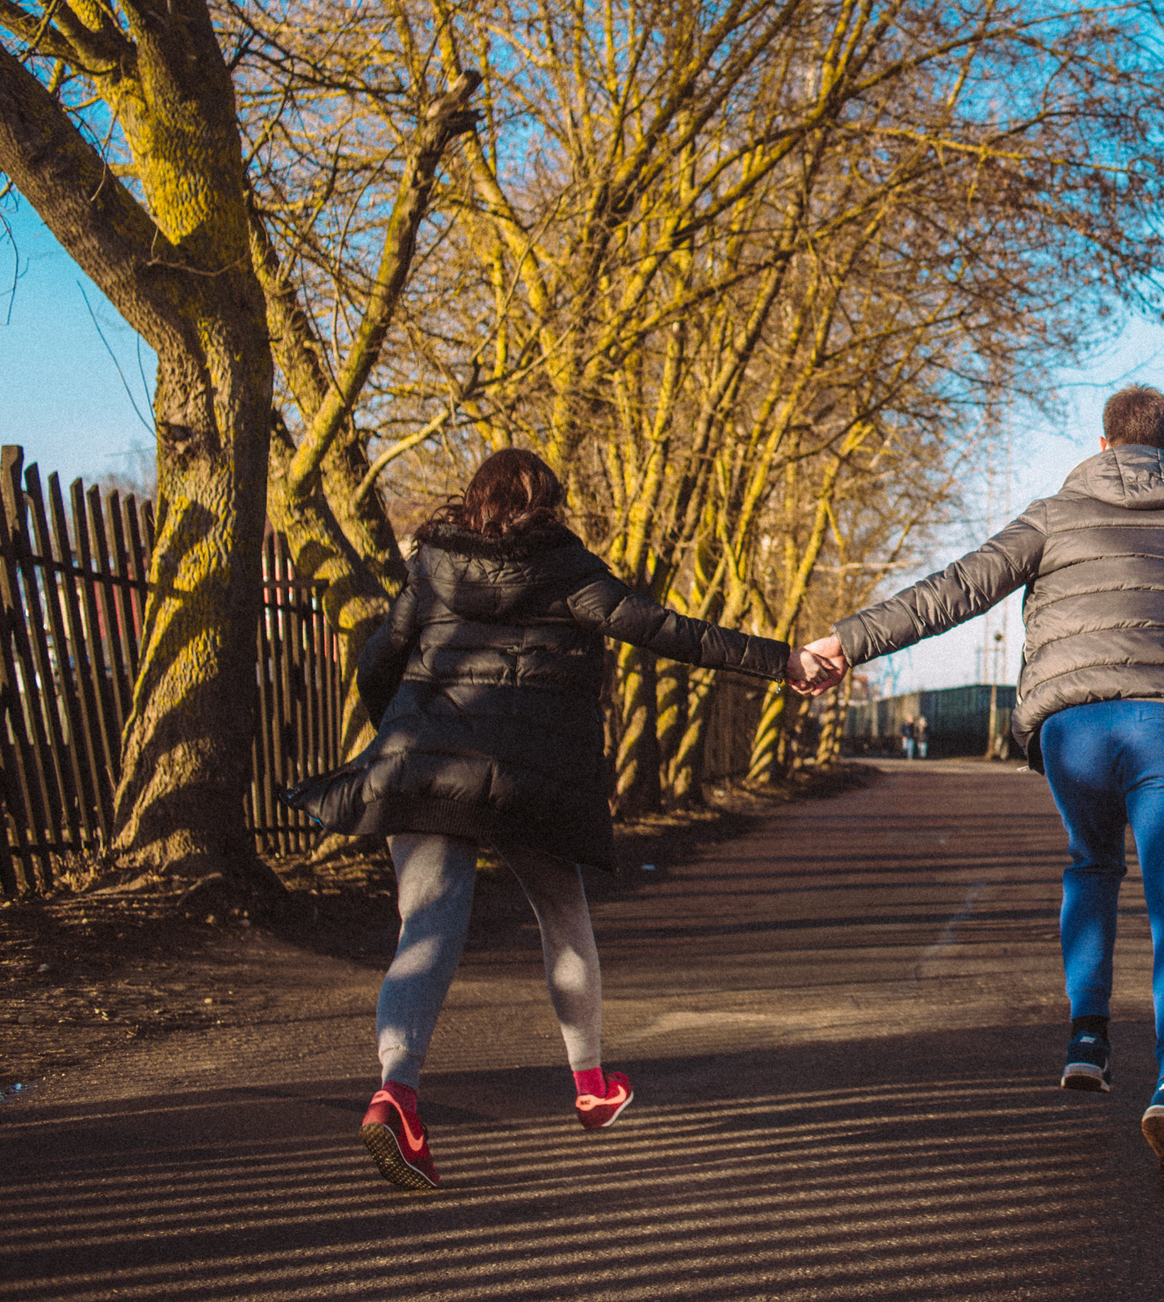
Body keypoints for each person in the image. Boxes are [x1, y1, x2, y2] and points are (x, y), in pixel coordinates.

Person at [800, 386, 1164, 1182]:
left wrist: (847, 641)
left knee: (1092, 863)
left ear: (1104, 444)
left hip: (1071, 730)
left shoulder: (1052, 514)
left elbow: (955, 590)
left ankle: (1088, 1035)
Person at [286, 447, 829, 1192]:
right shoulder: (569, 569)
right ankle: (591, 1083)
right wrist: (783, 662)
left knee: (427, 928)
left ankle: (397, 1092)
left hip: (423, 765)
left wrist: (406, 739)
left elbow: (379, 660)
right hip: (526, 781)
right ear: (549, 503)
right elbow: (671, 631)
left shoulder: (431, 565)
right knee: (563, 916)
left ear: (473, 498)